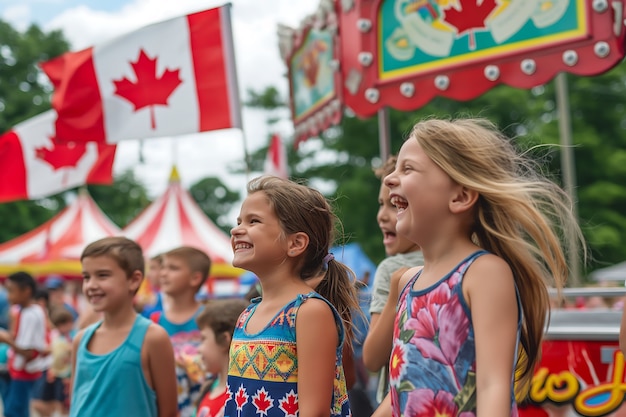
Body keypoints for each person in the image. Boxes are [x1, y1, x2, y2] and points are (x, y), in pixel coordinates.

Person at [375, 118, 583, 416]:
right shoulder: (408, 281)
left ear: (460, 196)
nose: (389, 179)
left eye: (407, 169)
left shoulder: (483, 273)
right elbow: (404, 386)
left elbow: (491, 386)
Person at [223, 176, 360, 417]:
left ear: (295, 243)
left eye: (253, 221)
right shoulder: (247, 315)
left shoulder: (309, 312)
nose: (236, 229)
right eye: (238, 222)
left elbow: (314, 413)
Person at [70, 237, 178, 417]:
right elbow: (76, 402)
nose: (91, 285)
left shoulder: (153, 338)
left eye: (102, 275)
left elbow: (169, 412)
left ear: (134, 280)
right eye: (86, 277)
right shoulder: (81, 339)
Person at [362, 155, 424, 405]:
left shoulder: (392, 268)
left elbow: (372, 359)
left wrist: (393, 298)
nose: (382, 216)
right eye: (382, 204)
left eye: (397, 205)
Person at [151, 246, 210, 417]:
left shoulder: (208, 317)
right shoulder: (154, 321)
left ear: (195, 278)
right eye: (162, 267)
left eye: (173, 268)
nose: (163, 273)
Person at [0, 272, 48, 417]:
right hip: (20, 371)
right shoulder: (25, 311)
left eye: (12, 291)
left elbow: (27, 351)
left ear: (26, 291)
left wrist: (6, 340)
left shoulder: (30, 315)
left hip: (24, 372)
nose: (8, 296)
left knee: (14, 411)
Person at [193, 298, 249, 417]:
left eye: (203, 339)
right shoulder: (208, 389)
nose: (199, 349)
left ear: (224, 339)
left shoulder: (239, 398)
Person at [32, 307, 75, 417]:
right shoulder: (54, 336)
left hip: (66, 375)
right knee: (47, 401)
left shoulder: (73, 336)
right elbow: (50, 350)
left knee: (63, 403)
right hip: (54, 372)